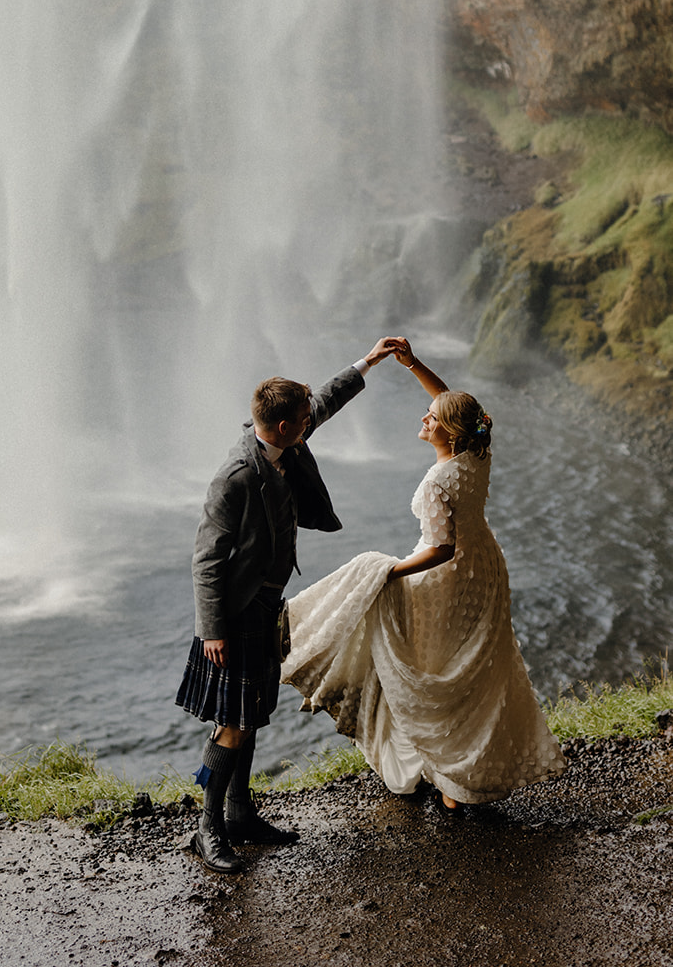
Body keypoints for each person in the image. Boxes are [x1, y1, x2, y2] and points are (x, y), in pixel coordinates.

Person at [281, 341, 566, 809]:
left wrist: (389, 572)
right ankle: (460, 777)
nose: (423, 419)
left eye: (430, 419)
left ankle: (299, 639)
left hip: (448, 576)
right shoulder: (476, 449)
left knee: (431, 669)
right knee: (469, 668)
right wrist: (412, 364)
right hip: (486, 569)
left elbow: (440, 549)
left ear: (449, 434)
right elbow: (455, 403)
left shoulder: (438, 481)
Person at [175, 336, 405, 873]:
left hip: (266, 604)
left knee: (251, 716)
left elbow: (320, 401)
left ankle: (240, 813)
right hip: (234, 616)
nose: (310, 424)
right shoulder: (235, 477)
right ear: (282, 426)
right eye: (303, 421)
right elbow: (206, 557)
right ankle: (206, 828)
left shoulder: (281, 440)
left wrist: (367, 362)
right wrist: (212, 631)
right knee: (230, 725)